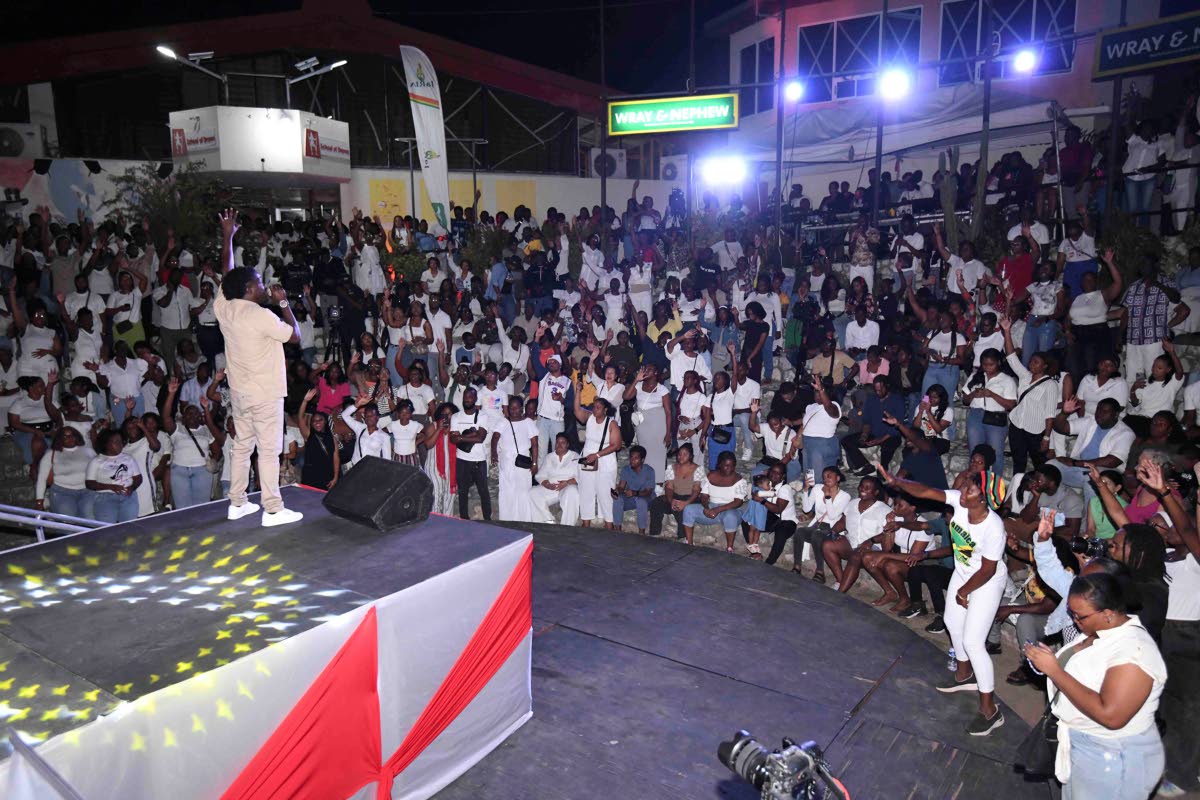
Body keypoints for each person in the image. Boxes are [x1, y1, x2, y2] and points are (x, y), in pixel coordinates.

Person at [878, 464, 1009, 736]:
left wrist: (964, 591)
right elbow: (927, 491)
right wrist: (897, 481)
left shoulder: (994, 528)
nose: (963, 490)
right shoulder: (961, 504)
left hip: (986, 581)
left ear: (983, 498)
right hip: (964, 574)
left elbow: (988, 569)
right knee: (951, 620)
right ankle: (964, 675)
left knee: (973, 641)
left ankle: (990, 710)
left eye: (971, 488)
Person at [1024, 572, 1166, 799]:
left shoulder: (1135, 653)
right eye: (1071, 614)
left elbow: (1111, 716)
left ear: (1108, 614)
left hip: (1109, 753)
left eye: (1079, 616)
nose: (1074, 621)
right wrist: (1046, 662)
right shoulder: (1097, 631)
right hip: (1080, 743)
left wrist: (1054, 670)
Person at [215, 209, 303, 526]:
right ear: (250, 289)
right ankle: (273, 509)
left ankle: (237, 503)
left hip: (240, 392)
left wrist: (228, 236)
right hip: (265, 394)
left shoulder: (225, 307)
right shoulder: (261, 315)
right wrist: (283, 304)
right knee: (268, 451)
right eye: (259, 282)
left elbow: (227, 277)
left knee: (242, 447)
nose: (263, 285)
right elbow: (296, 337)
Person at [860, 494, 931, 613]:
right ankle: (889, 592)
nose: (895, 508)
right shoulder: (896, 520)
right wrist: (889, 525)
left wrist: (883, 555)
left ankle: (905, 599)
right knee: (867, 557)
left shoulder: (923, 526)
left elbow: (913, 557)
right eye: (895, 504)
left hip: (921, 563)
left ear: (912, 508)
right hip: (901, 559)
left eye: (900, 505)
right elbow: (887, 548)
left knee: (890, 566)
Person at [823, 475, 891, 592]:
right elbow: (843, 521)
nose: (863, 489)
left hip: (872, 549)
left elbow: (888, 533)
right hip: (851, 543)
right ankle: (841, 580)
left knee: (856, 555)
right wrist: (833, 532)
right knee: (827, 544)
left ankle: (840, 593)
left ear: (876, 492)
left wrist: (871, 541)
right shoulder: (853, 503)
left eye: (867, 488)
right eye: (861, 486)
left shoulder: (884, 510)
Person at [160, 378, 221, 509]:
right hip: (179, 471)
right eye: (188, 413)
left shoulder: (206, 430)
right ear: (183, 417)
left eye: (195, 413)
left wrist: (212, 462)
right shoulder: (176, 429)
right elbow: (165, 417)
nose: (192, 416)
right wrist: (171, 394)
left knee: (201, 508)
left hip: (202, 471)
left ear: (200, 417)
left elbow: (217, 450)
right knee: (183, 508)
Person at [792, 466, 852, 581]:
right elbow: (806, 508)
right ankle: (797, 566)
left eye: (830, 475)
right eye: (824, 476)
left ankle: (820, 571)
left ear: (838, 478)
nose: (826, 478)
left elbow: (833, 516)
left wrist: (828, 496)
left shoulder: (845, 496)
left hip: (831, 528)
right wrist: (805, 490)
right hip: (817, 525)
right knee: (800, 532)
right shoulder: (818, 489)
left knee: (817, 535)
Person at [680, 450, 748, 549]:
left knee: (730, 516)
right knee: (689, 509)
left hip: (729, 509)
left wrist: (717, 510)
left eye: (732, 465)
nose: (729, 468)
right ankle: (689, 542)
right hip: (712, 507)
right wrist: (706, 507)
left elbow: (738, 502)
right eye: (726, 465)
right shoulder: (711, 476)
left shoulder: (739, 480)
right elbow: (704, 496)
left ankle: (729, 548)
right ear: (719, 464)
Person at [963, 349, 1017, 475]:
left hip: (996, 417)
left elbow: (1011, 405)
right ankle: (973, 481)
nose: (987, 367)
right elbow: (965, 400)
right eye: (984, 364)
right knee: (975, 451)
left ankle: (995, 485)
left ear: (998, 363)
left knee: (996, 452)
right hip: (976, 415)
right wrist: (973, 394)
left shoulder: (1007, 380)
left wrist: (991, 394)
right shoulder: (975, 376)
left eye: (990, 364)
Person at [573, 394, 622, 528]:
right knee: (586, 493)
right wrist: (578, 391)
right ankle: (586, 524)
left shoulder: (611, 423)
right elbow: (577, 410)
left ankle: (609, 525)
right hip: (587, 462)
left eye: (598, 408)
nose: (595, 410)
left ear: (605, 409)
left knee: (606, 495)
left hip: (605, 463)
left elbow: (616, 445)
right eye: (594, 407)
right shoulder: (590, 418)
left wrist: (597, 455)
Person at [841, 376, 905, 477]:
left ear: (887, 386)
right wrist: (864, 435)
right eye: (876, 390)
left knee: (888, 446)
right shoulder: (871, 399)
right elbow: (867, 421)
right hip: (874, 434)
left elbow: (897, 426)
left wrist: (880, 440)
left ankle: (883, 470)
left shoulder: (897, 400)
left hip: (890, 435)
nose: (878, 392)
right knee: (846, 441)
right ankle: (865, 465)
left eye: (880, 390)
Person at [492, 395, 538, 522]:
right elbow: (495, 437)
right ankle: (507, 520)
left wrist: (534, 463)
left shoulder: (528, 422)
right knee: (507, 491)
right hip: (507, 459)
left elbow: (534, 444)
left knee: (523, 490)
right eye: (511, 408)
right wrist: (494, 453)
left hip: (522, 459)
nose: (513, 410)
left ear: (521, 409)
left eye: (516, 408)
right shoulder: (503, 421)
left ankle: (524, 520)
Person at [449, 387, 491, 520]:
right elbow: (453, 439)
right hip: (462, 459)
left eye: (470, 397)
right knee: (463, 492)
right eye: (465, 397)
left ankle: (488, 519)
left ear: (475, 399)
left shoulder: (483, 416)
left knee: (483, 491)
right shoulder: (456, 417)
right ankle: (464, 519)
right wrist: (473, 433)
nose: (467, 399)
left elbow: (481, 438)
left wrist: (461, 437)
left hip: (479, 460)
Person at [35, 427, 96, 518]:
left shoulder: (88, 451)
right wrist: (39, 502)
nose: (70, 438)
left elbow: (99, 470)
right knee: (68, 522)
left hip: (87, 491)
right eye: (65, 436)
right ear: (59, 439)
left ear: (77, 436)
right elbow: (41, 479)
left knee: (90, 519)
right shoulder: (51, 454)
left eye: (72, 435)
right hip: (62, 492)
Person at [624, 364, 671, 480]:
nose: (646, 371)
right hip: (643, 426)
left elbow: (669, 412)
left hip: (658, 425)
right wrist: (636, 380)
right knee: (644, 452)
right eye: (645, 369)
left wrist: (668, 433)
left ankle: (659, 482)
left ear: (656, 373)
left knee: (659, 453)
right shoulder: (639, 386)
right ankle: (646, 481)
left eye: (649, 369)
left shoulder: (662, 389)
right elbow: (626, 396)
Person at [86, 429, 143, 524]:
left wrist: (132, 488)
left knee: (129, 527)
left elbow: (138, 478)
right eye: (116, 442)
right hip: (105, 498)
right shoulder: (96, 461)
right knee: (107, 528)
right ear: (106, 444)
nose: (120, 445)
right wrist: (111, 487)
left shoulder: (128, 458)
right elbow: (89, 484)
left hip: (128, 497)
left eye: (121, 441)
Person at [649, 443, 703, 538]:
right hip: (675, 496)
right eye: (679, 454)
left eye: (685, 454)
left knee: (683, 510)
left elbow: (696, 490)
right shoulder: (672, 468)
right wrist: (671, 501)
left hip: (691, 498)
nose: (681, 456)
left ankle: (683, 537)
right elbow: (669, 487)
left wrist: (685, 503)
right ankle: (654, 533)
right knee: (656, 503)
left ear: (690, 456)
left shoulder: (698, 469)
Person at [530, 432, 580, 526]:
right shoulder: (549, 457)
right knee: (532, 492)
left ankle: (567, 526)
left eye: (563, 442)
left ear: (568, 444)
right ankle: (548, 521)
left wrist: (567, 483)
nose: (559, 445)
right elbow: (541, 475)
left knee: (572, 491)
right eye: (557, 442)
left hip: (567, 487)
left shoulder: (575, 456)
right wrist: (547, 484)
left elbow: (581, 476)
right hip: (552, 488)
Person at [297, 388, 339, 490]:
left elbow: (336, 458)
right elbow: (300, 418)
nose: (317, 423)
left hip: (327, 477)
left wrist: (335, 477)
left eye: (320, 420)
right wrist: (305, 401)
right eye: (314, 421)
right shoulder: (309, 435)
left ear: (325, 422)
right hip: (310, 477)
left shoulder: (331, 438)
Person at [611, 445, 654, 533]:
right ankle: (617, 531)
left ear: (642, 460)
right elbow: (621, 487)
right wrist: (616, 492)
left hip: (646, 498)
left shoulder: (649, 470)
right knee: (618, 499)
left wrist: (634, 493)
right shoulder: (626, 470)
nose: (632, 460)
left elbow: (648, 492)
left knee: (640, 501)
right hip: (632, 497)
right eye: (631, 457)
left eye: (636, 458)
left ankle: (641, 532)